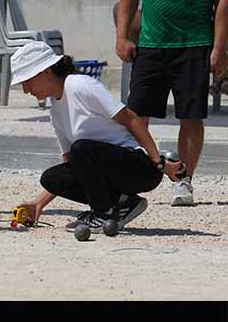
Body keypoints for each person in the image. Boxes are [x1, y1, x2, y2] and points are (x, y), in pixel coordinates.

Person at [115, 0, 227, 206]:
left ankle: (184, 181)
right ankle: (132, 178)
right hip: (151, 43)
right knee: (135, 115)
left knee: (190, 116)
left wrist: (220, 47)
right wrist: (122, 35)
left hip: (193, 44)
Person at [10, 41, 186, 232]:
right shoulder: (55, 112)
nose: (26, 89)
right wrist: (38, 204)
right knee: (52, 177)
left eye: (27, 80)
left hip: (139, 168)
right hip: (109, 172)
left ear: (46, 71)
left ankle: (104, 214)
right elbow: (73, 167)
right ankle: (123, 203)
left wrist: (158, 163)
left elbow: (130, 118)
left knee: (80, 149)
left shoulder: (81, 85)